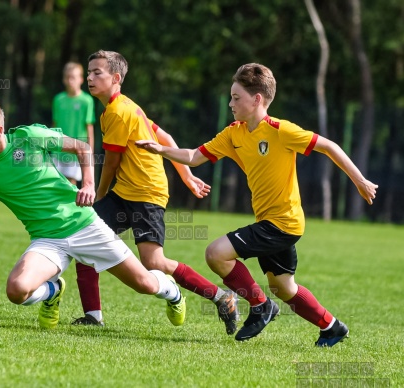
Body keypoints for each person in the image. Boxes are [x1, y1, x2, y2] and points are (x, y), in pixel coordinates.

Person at [0, 100, 187, 329]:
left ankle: (172, 292)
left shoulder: (30, 137)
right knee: (16, 290)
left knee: (146, 285)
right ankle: (52, 290)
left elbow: (81, 148)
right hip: (47, 240)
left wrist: (90, 186)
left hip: (85, 226)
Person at [136, 63, 378, 347]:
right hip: (272, 221)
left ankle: (261, 306)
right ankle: (331, 327)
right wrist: (161, 149)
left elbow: (330, 146)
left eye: (236, 98)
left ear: (257, 99)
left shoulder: (281, 131)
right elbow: (193, 156)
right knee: (284, 287)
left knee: (216, 253)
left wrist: (360, 180)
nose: (230, 103)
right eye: (231, 97)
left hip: (283, 223)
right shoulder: (233, 134)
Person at [71, 49, 239, 334]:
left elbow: (110, 163)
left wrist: (98, 196)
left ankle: (222, 297)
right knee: (83, 239)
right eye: (88, 72)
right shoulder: (122, 106)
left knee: (154, 262)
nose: (90, 77)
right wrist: (187, 176)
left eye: (97, 72)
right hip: (126, 192)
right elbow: (165, 137)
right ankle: (93, 315)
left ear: (115, 78)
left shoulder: (119, 112)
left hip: (147, 193)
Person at [51, 62, 95, 185]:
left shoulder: (87, 101)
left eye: (73, 77)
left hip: (76, 151)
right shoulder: (58, 100)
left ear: (81, 79)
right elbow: (54, 125)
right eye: (68, 77)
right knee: (54, 184)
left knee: (71, 185)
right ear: (64, 79)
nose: (70, 81)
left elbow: (89, 127)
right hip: (58, 150)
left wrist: (89, 152)